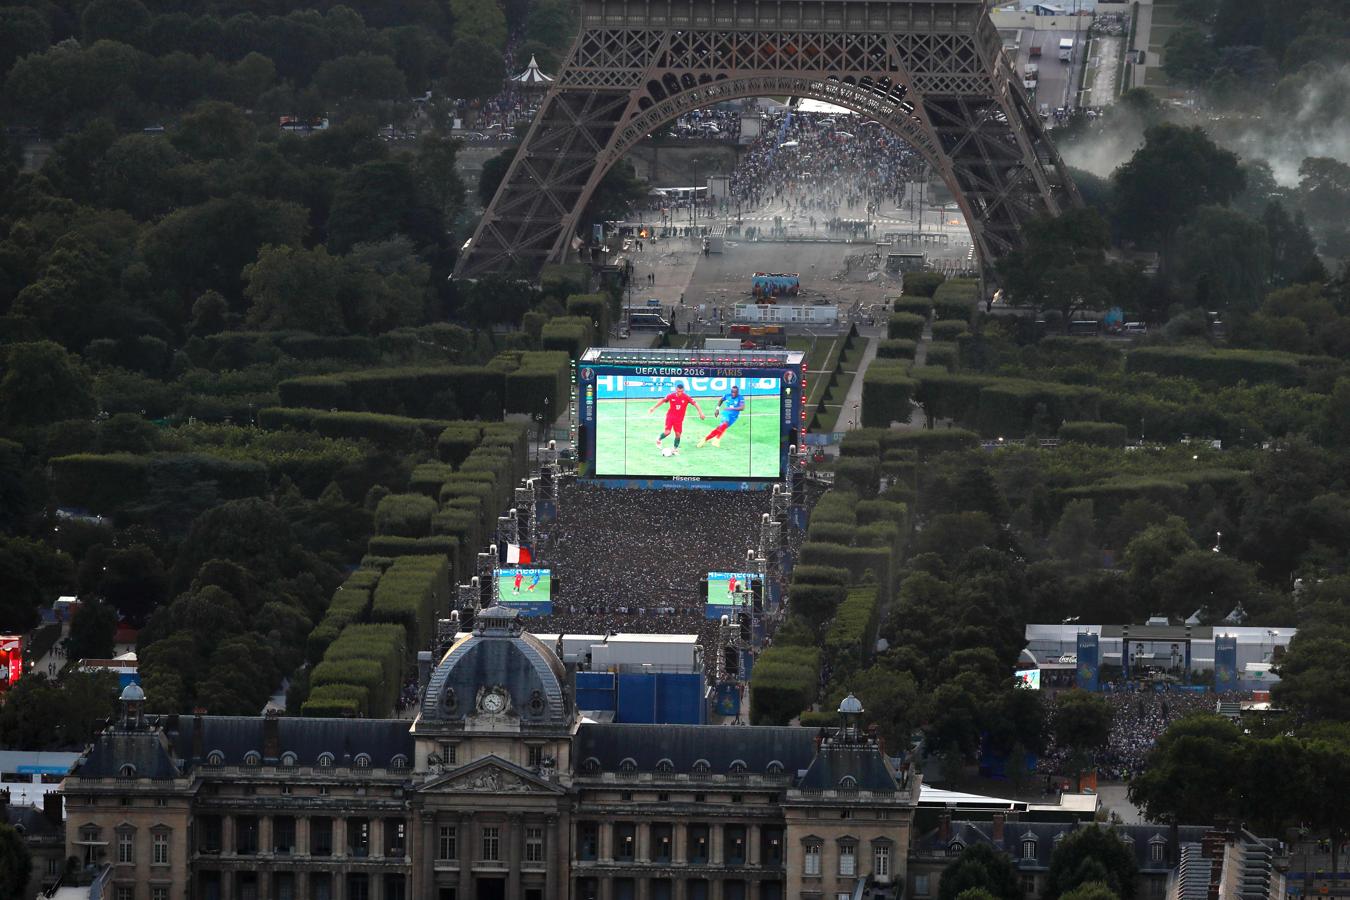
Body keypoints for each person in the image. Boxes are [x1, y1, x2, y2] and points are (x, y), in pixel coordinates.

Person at [649, 382, 704, 454]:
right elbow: (662, 401)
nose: (680, 393)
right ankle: (659, 439)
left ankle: (675, 449)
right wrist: (653, 408)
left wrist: (700, 413)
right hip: (670, 416)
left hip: (679, 419)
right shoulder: (671, 396)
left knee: (678, 434)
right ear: (676, 389)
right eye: (678, 391)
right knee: (667, 432)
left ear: (683, 390)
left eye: (681, 391)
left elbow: (695, 404)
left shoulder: (686, 397)